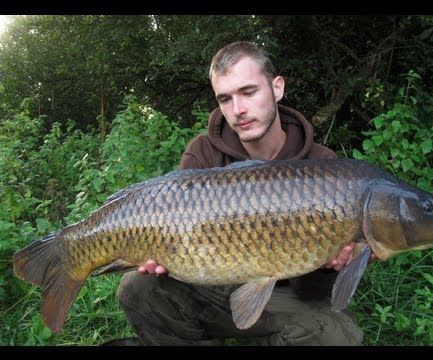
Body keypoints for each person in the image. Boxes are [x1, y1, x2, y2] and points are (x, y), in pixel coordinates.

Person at [116, 41, 365, 346]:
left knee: (337, 338)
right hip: (218, 288)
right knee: (138, 287)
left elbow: (316, 293)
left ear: (277, 88)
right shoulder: (203, 154)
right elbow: (176, 243)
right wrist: (164, 260)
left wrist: (331, 265)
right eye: (225, 98)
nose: (238, 110)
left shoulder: (323, 167)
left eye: (248, 92)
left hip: (289, 297)